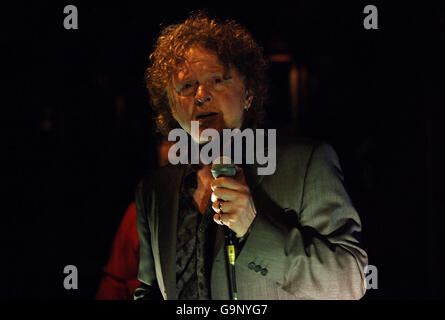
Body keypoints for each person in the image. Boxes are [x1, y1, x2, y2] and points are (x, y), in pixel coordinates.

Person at [133, 11, 368, 300]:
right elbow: (149, 290)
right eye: (186, 86)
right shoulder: (154, 190)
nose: (201, 95)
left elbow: (350, 282)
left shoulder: (306, 163)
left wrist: (254, 228)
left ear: (248, 93)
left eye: (217, 79)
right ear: (170, 105)